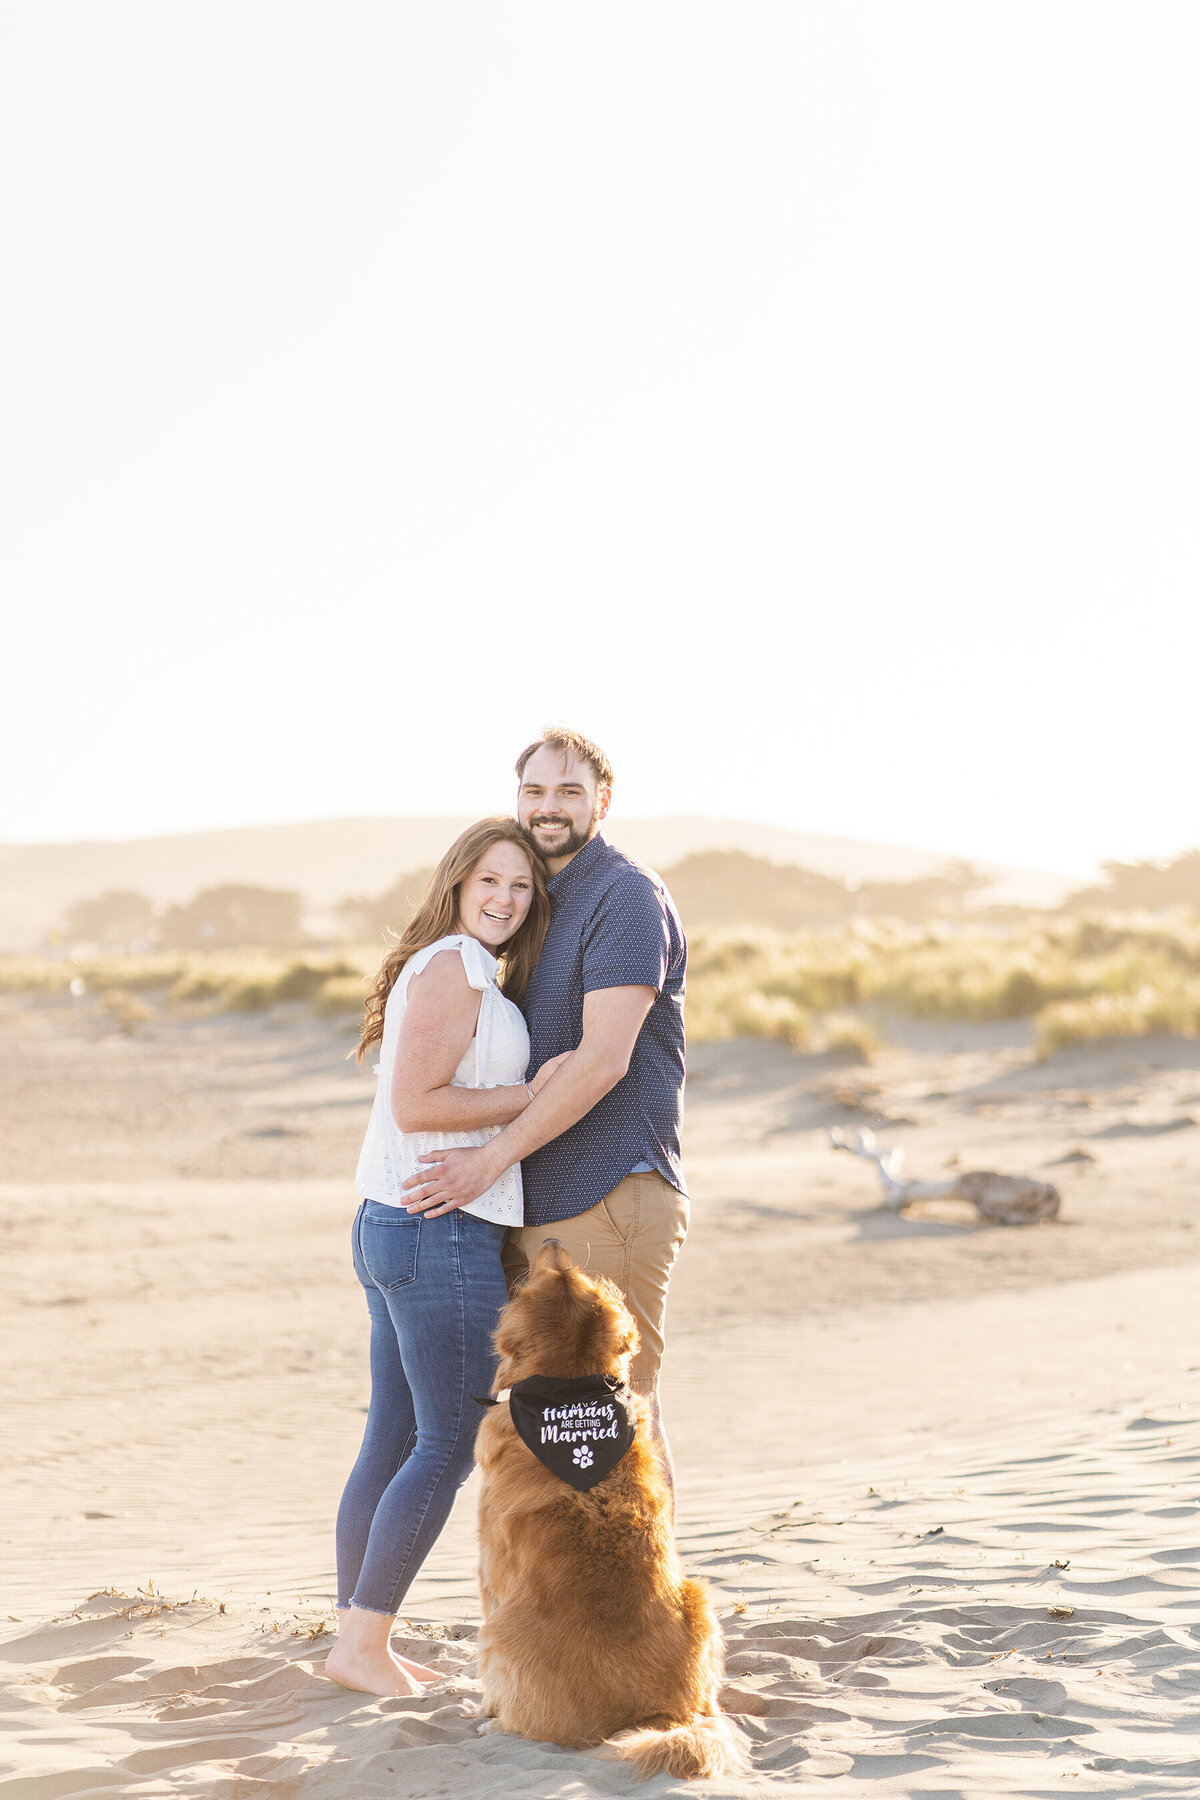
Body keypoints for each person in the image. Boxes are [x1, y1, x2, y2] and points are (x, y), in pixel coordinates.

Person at [402, 728, 689, 1487]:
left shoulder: (624, 895)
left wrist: (487, 1160)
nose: (549, 808)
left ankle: (645, 1605)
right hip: (537, 1201)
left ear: (603, 799)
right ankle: (561, 1603)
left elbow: (602, 1062)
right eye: (534, 791)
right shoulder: (533, 899)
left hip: (608, 1196)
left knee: (617, 1428)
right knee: (551, 1441)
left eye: (569, 791)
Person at [326, 817, 560, 1699]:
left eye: (521, 888)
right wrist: (532, 1093)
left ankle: (360, 1639)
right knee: (449, 1441)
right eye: (489, 882)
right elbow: (419, 1105)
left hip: (398, 1224)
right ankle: (361, 1644)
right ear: (458, 885)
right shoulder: (455, 966)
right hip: (437, 1229)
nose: (504, 900)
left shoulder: (462, 970)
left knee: (393, 1435)